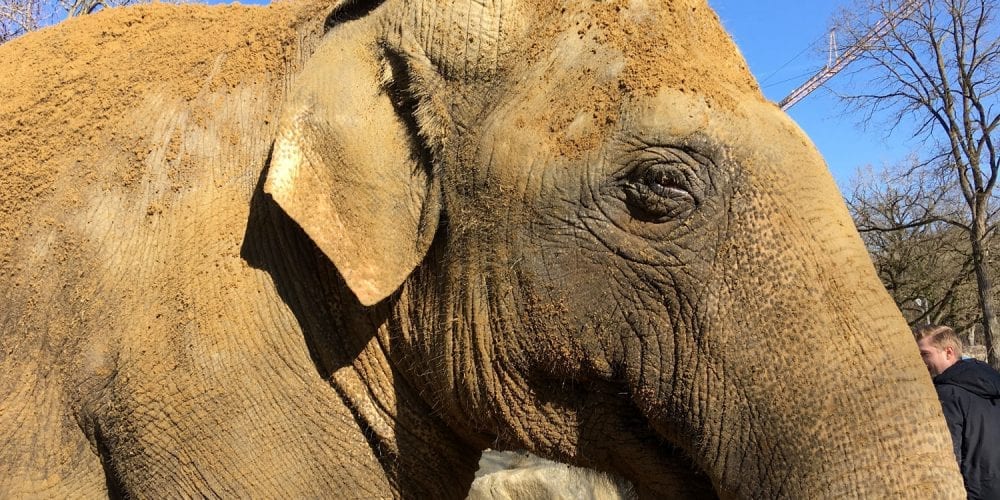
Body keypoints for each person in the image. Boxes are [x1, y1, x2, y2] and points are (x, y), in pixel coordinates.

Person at [914, 324, 1000, 499]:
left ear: (948, 352)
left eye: (925, 354)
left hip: (973, 491)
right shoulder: (992, 381)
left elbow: (947, 453)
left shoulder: (947, 393)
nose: (920, 361)